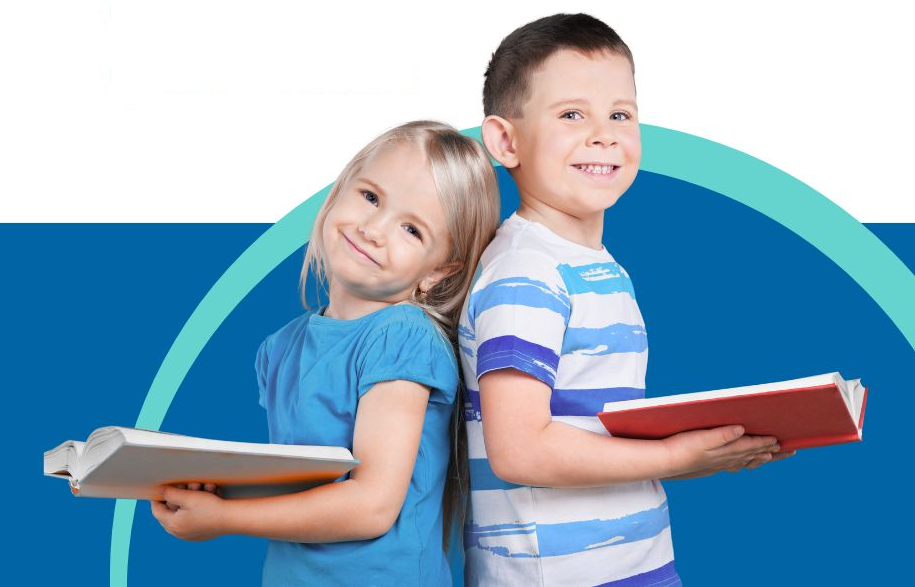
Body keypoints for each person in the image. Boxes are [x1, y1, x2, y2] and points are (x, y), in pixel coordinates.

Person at [459, 14, 794, 586]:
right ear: (505, 141)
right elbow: (519, 450)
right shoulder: (526, 271)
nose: (604, 135)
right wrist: (678, 459)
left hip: (632, 562)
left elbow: (588, 426)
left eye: (620, 114)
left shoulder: (591, 265)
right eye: (571, 115)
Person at [150, 120, 501, 586]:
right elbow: (299, 484)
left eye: (412, 229)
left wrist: (224, 517)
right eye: (371, 197)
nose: (373, 229)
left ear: (438, 272)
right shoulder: (280, 349)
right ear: (340, 189)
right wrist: (207, 493)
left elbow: (372, 506)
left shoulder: (402, 336)